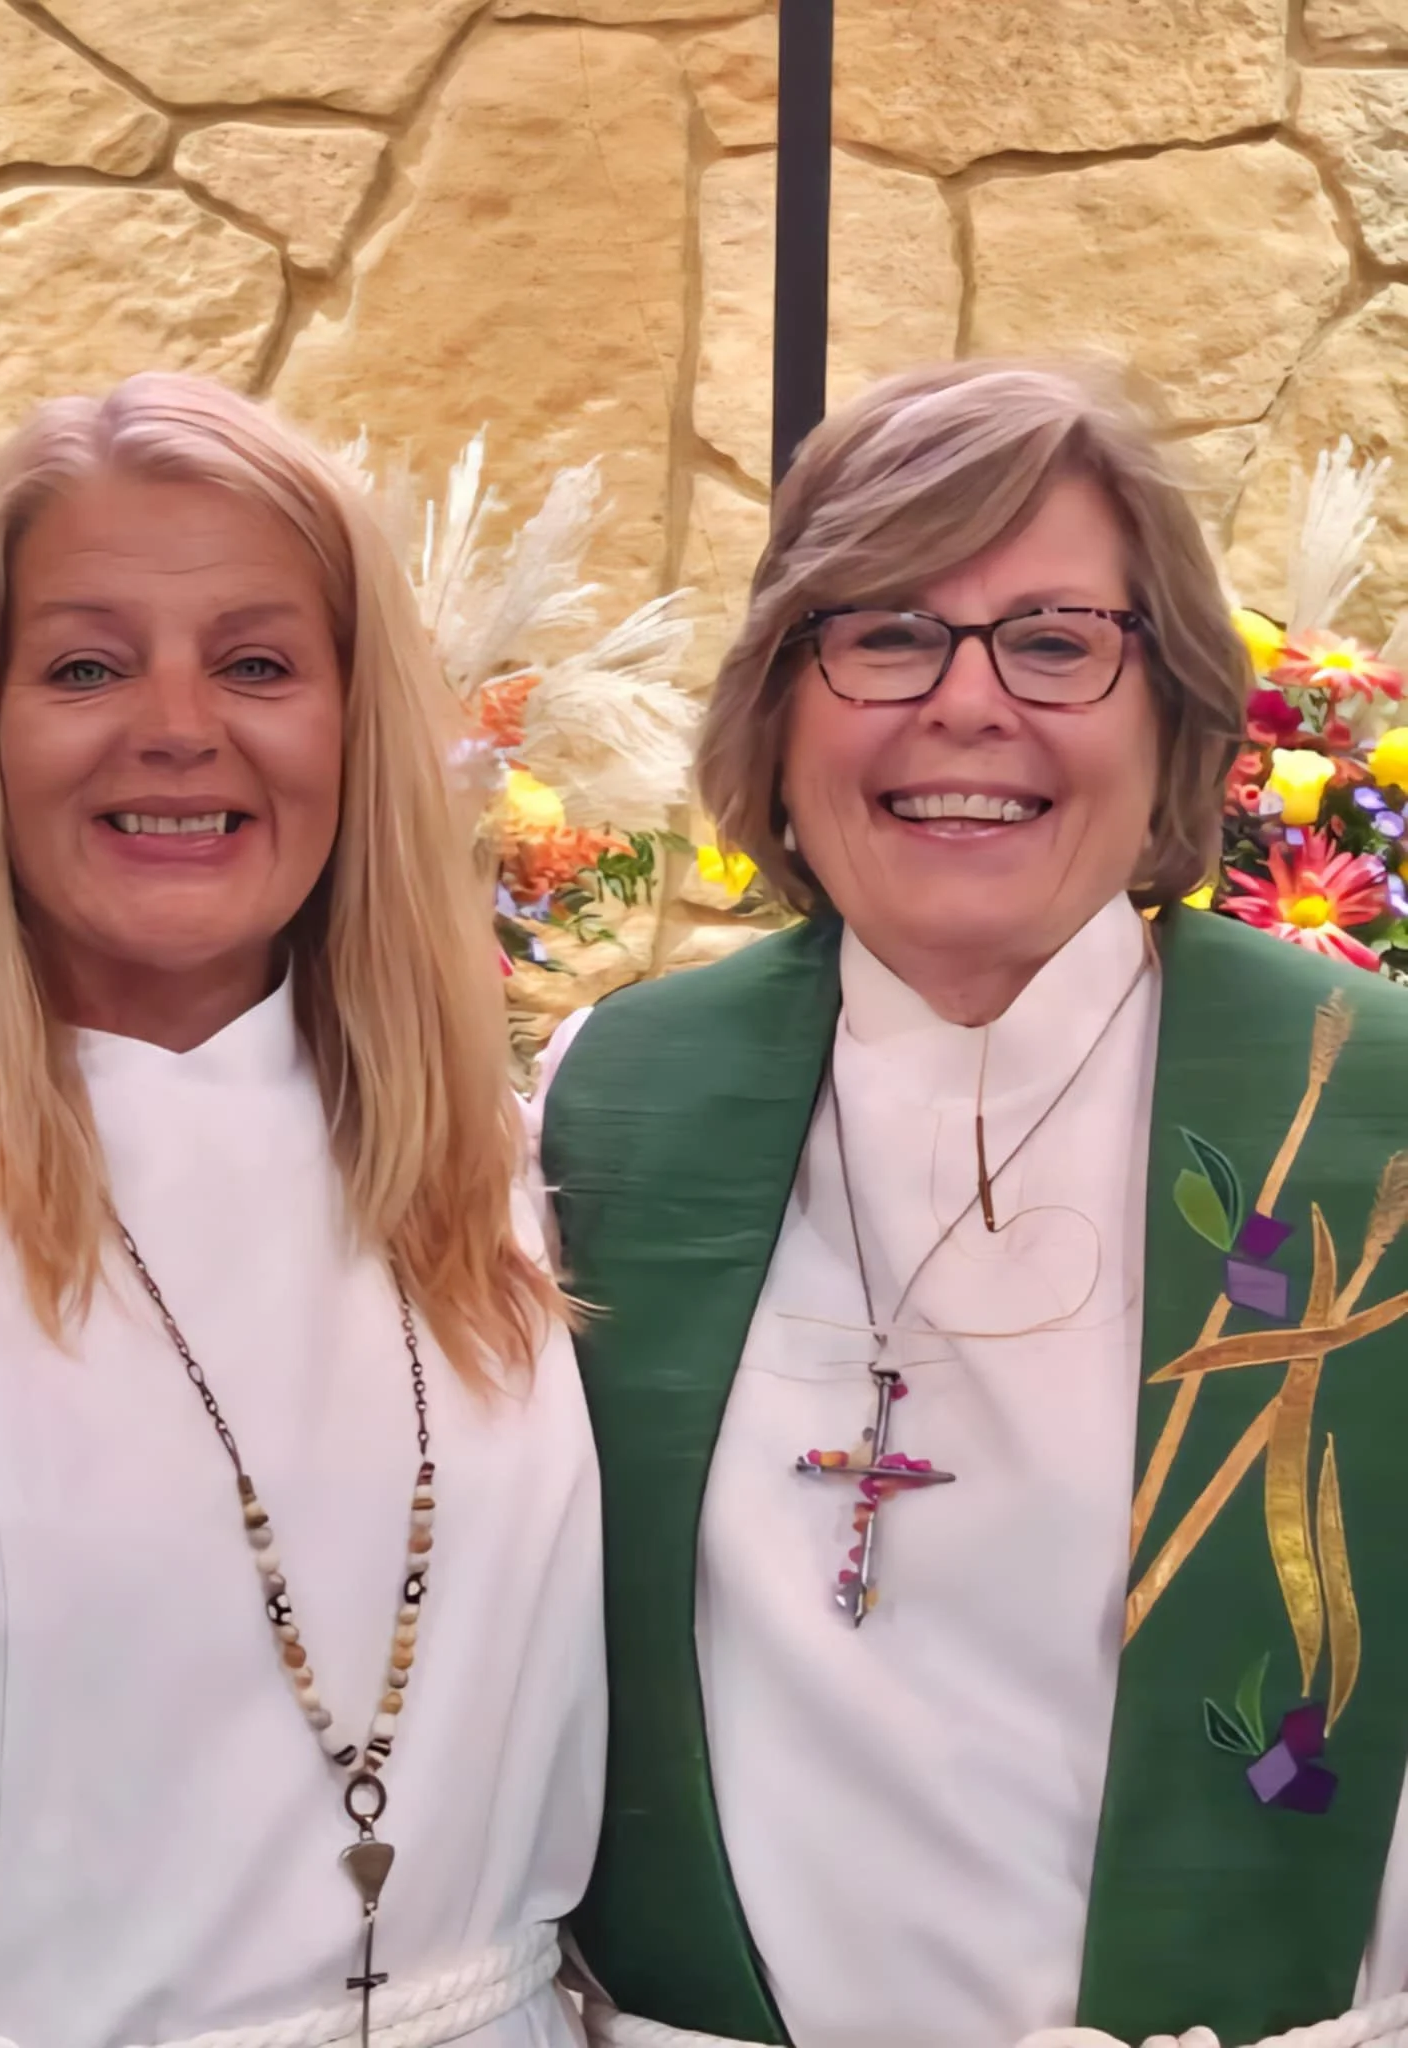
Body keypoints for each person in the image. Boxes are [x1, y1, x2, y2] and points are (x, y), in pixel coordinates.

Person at [539, 362, 1408, 2048]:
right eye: (885, 634)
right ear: (779, 706)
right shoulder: (607, 1110)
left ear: (1173, 712)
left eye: (1056, 642)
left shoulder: (1366, 1123)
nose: (965, 705)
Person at [0, 374, 602, 2048]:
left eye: (258, 665)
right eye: (85, 667)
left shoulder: (482, 1159)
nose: (176, 728)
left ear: (356, 729)